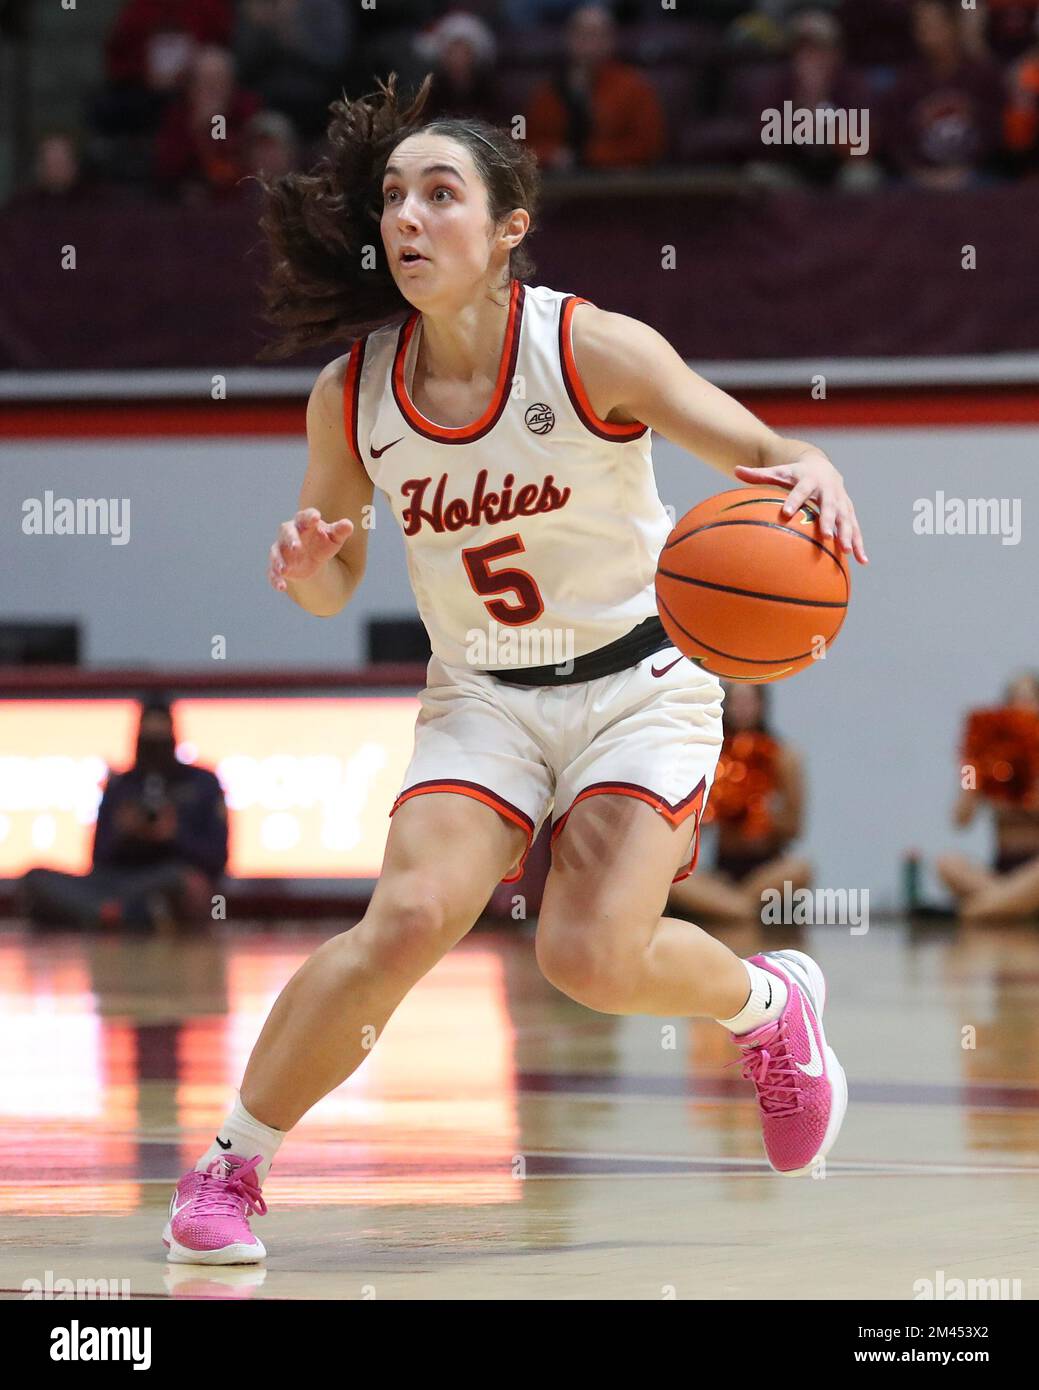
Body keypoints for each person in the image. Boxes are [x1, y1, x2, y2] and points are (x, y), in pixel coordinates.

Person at [161, 72, 867, 1265]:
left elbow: (760, 444)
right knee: (407, 919)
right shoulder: (353, 392)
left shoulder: (590, 348)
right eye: (394, 197)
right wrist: (310, 563)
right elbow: (336, 581)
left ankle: (768, 1006)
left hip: (638, 686)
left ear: (508, 232)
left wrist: (812, 467)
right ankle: (233, 1163)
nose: (408, 218)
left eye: (441, 195)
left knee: (587, 956)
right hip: (484, 693)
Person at [18, 698, 228, 932]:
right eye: (147, 740)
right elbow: (97, 859)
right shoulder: (120, 786)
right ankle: (117, 915)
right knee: (35, 879)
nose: (154, 749)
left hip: (167, 877)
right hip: (116, 883)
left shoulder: (203, 784)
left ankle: (106, 915)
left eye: (160, 740)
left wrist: (173, 835)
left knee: (188, 883)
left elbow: (218, 858)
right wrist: (123, 831)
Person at [667, 682, 811, 922]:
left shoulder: (783, 755)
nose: (741, 709)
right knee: (673, 880)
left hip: (766, 869)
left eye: (748, 702)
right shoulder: (713, 755)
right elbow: (692, 823)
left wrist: (755, 812)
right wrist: (720, 807)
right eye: (735, 701)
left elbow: (794, 828)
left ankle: (732, 908)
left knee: (800, 869)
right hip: (723, 867)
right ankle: (740, 909)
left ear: (762, 705)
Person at [936, 672, 1039, 921]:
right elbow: (961, 820)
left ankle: (974, 912)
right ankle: (1009, 908)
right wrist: (971, 771)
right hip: (1000, 871)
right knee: (947, 863)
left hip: (1034, 872)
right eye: (1015, 701)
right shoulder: (990, 759)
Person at [525, 4, 666, 171]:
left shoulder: (635, 88)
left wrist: (588, 155)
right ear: (568, 38)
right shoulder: (546, 92)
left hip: (617, 184)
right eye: (582, 34)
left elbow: (649, 146)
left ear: (612, 40)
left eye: (597, 35)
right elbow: (526, 146)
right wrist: (552, 155)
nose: (589, 43)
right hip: (559, 186)